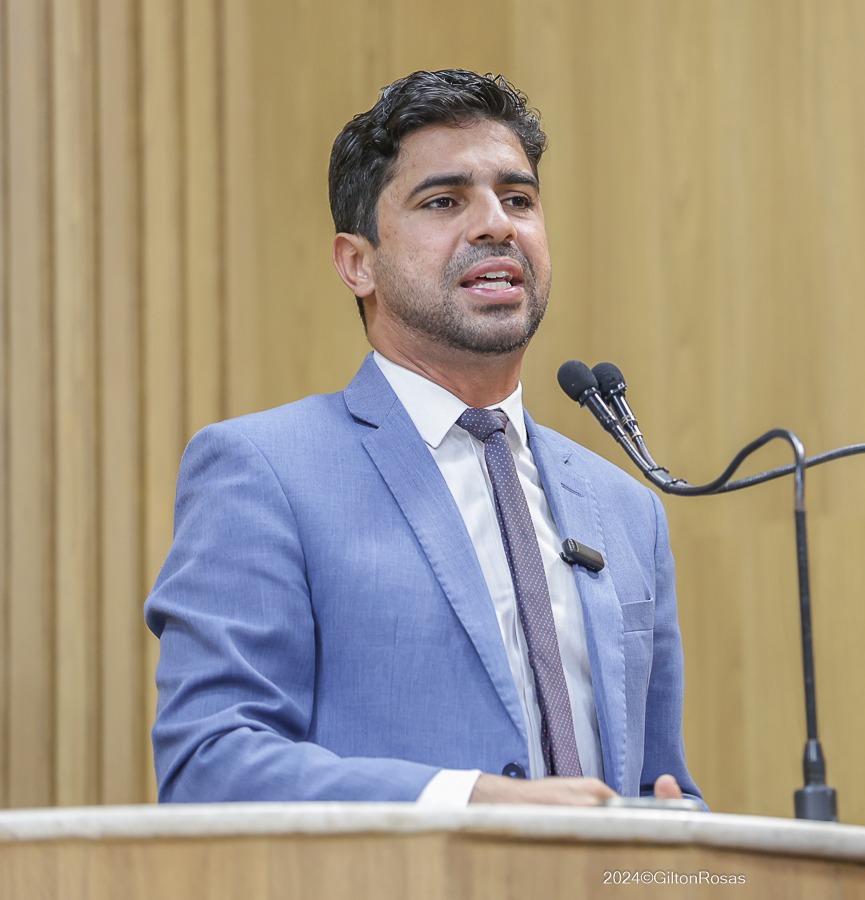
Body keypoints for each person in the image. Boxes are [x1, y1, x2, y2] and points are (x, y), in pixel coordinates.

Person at [145, 69, 701, 808]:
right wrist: (467, 803)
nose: (496, 224)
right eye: (444, 201)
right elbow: (209, 765)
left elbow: (663, 788)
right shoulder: (264, 472)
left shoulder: (627, 511)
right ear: (357, 263)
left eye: (518, 199)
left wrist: (677, 835)